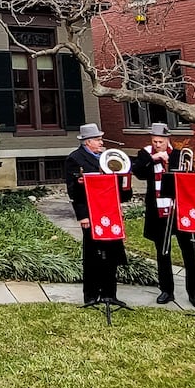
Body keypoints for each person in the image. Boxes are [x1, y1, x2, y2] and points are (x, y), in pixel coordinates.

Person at [131, 122, 195, 309]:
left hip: (179, 210)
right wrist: (154, 158)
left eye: (160, 142)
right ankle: (166, 290)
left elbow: (189, 180)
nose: (157, 144)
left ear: (167, 140)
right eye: (154, 141)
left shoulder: (180, 155)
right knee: (163, 252)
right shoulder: (146, 154)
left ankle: (194, 293)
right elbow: (138, 172)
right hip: (158, 212)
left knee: (190, 252)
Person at [63, 123, 132, 306]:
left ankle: (110, 293)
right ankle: (91, 294)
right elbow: (73, 191)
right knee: (93, 255)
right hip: (91, 213)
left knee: (111, 254)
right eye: (98, 139)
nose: (102, 142)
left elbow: (118, 188)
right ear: (88, 142)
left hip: (110, 213)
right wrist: (82, 216)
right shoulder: (75, 159)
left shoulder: (107, 157)